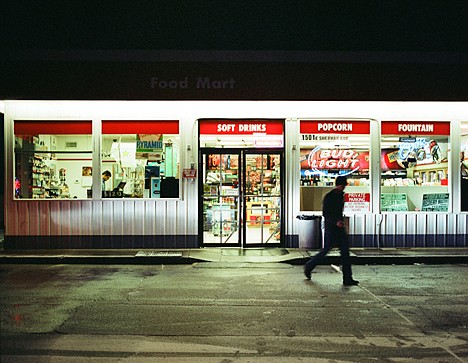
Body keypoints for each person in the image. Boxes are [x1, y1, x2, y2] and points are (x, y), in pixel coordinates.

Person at [304, 175, 359, 286]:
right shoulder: (330, 197)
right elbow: (326, 213)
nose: (342, 187)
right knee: (325, 252)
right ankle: (309, 266)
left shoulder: (339, 196)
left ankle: (347, 278)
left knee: (345, 253)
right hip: (332, 229)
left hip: (338, 228)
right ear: (338, 185)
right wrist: (336, 221)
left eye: (343, 186)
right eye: (341, 185)